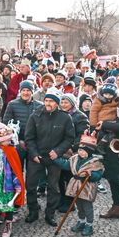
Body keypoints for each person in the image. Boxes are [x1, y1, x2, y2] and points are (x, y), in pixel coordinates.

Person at [24, 88, 75, 227]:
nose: (48, 103)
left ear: (57, 103)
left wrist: (58, 151)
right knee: (30, 185)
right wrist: (34, 154)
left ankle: (50, 214)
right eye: (46, 100)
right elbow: (29, 138)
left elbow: (69, 138)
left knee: (53, 187)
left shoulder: (65, 117)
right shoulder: (35, 116)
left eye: (51, 101)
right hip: (37, 156)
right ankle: (33, 211)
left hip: (54, 158)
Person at [50, 130, 104, 236]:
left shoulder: (95, 163)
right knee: (79, 205)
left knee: (87, 207)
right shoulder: (75, 159)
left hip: (87, 188)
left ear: (89, 152)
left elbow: (98, 175)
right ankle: (81, 221)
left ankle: (89, 225)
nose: (81, 152)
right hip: (76, 186)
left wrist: (91, 175)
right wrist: (56, 160)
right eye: (79, 150)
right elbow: (66, 165)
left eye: (84, 151)